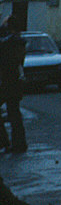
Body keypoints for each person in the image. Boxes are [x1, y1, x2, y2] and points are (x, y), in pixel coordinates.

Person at [0, 17, 24, 154]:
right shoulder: (19, 42)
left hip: (6, 82)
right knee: (15, 113)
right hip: (15, 83)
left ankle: (4, 141)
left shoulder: (9, 42)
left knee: (14, 113)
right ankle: (19, 144)